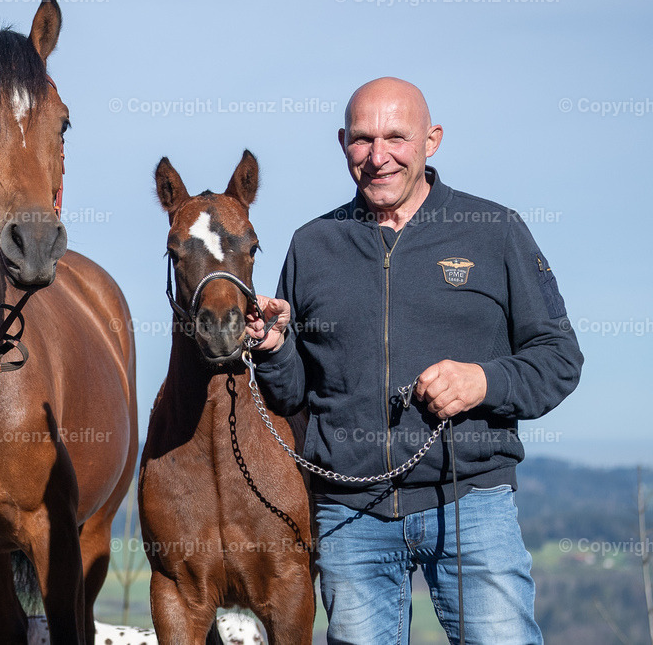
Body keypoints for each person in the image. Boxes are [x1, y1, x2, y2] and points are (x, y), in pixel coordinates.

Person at [245, 78, 583, 644]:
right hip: (351, 515)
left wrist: (483, 381)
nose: (379, 157)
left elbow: (559, 358)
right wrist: (276, 350)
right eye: (362, 140)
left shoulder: (495, 232)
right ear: (342, 143)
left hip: (472, 504)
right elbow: (294, 395)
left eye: (397, 137)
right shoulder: (312, 245)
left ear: (433, 140)